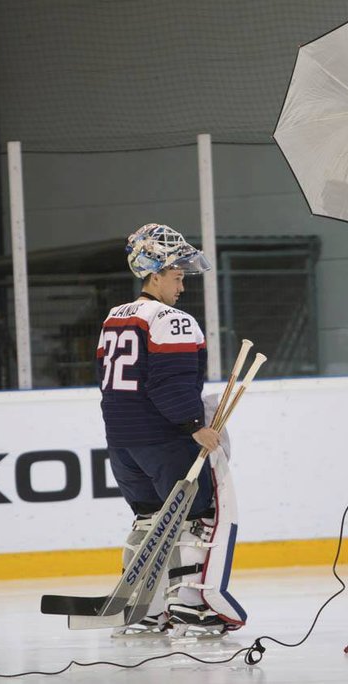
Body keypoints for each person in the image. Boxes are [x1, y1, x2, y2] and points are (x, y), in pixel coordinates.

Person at [97, 223, 246, 638]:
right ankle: (194, 610)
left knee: (149, 520)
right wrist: (195, 425)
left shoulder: (114, 317)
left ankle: (142, 611)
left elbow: (111, 383)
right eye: (177, 277)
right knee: (200, 518)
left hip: (122, 443)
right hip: (165, 439)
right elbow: (170, 383)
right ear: (155, 275)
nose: (182, 287)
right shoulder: (171, 320)